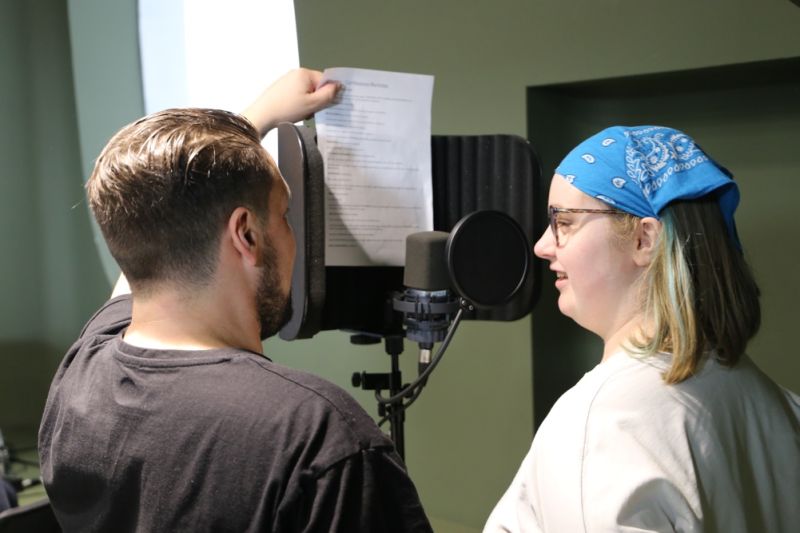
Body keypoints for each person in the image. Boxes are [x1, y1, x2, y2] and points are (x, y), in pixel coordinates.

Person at [38, 68, 433, 532]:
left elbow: (146, 244)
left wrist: (254, 120)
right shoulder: (317, 437)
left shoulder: (80, 372)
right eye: (285, 215)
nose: (292, 237)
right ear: (245, 234)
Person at [484, 125, 800, 532]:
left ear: (644, 239)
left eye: (564, 222)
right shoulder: (773, 402)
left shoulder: (607, 423)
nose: (542, 246)